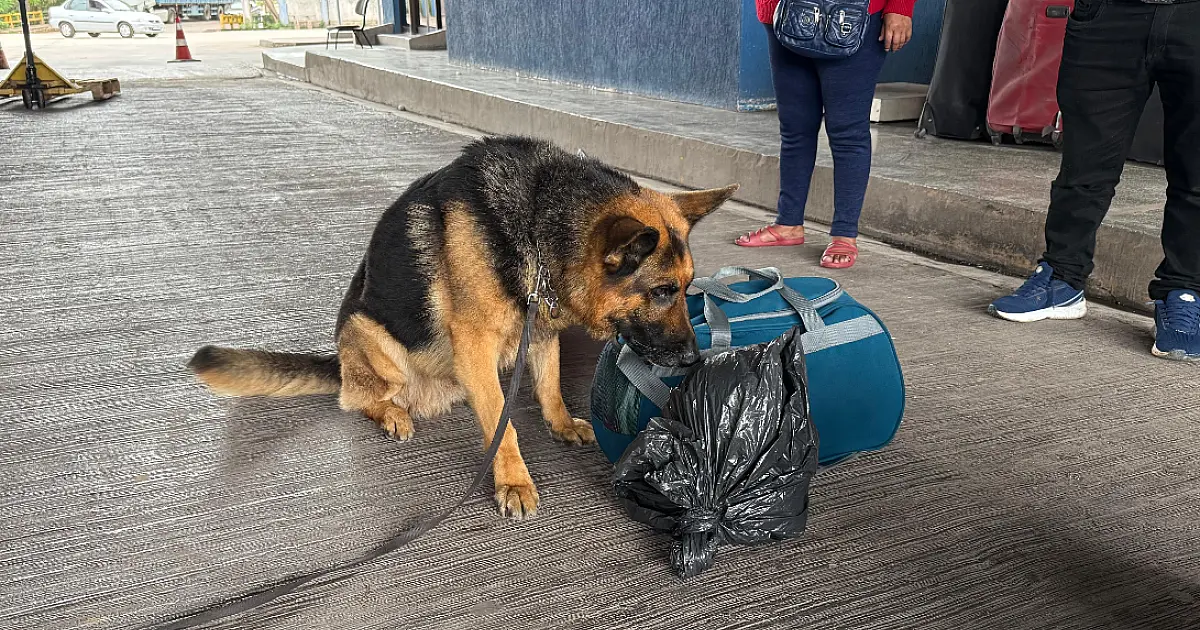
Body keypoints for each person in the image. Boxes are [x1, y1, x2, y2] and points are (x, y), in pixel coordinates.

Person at [988, 0, 1199, 362]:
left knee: (1195, 175)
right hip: (1108, 16)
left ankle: (1185, 291)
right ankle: (1062, 278)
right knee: (1083, 165)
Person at [737, 0, 916, 269]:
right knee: (795, 128)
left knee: (848, 133)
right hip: (785, 10)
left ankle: (844, 235)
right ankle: (788, 224)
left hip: (855, 15)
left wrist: (901, 7)